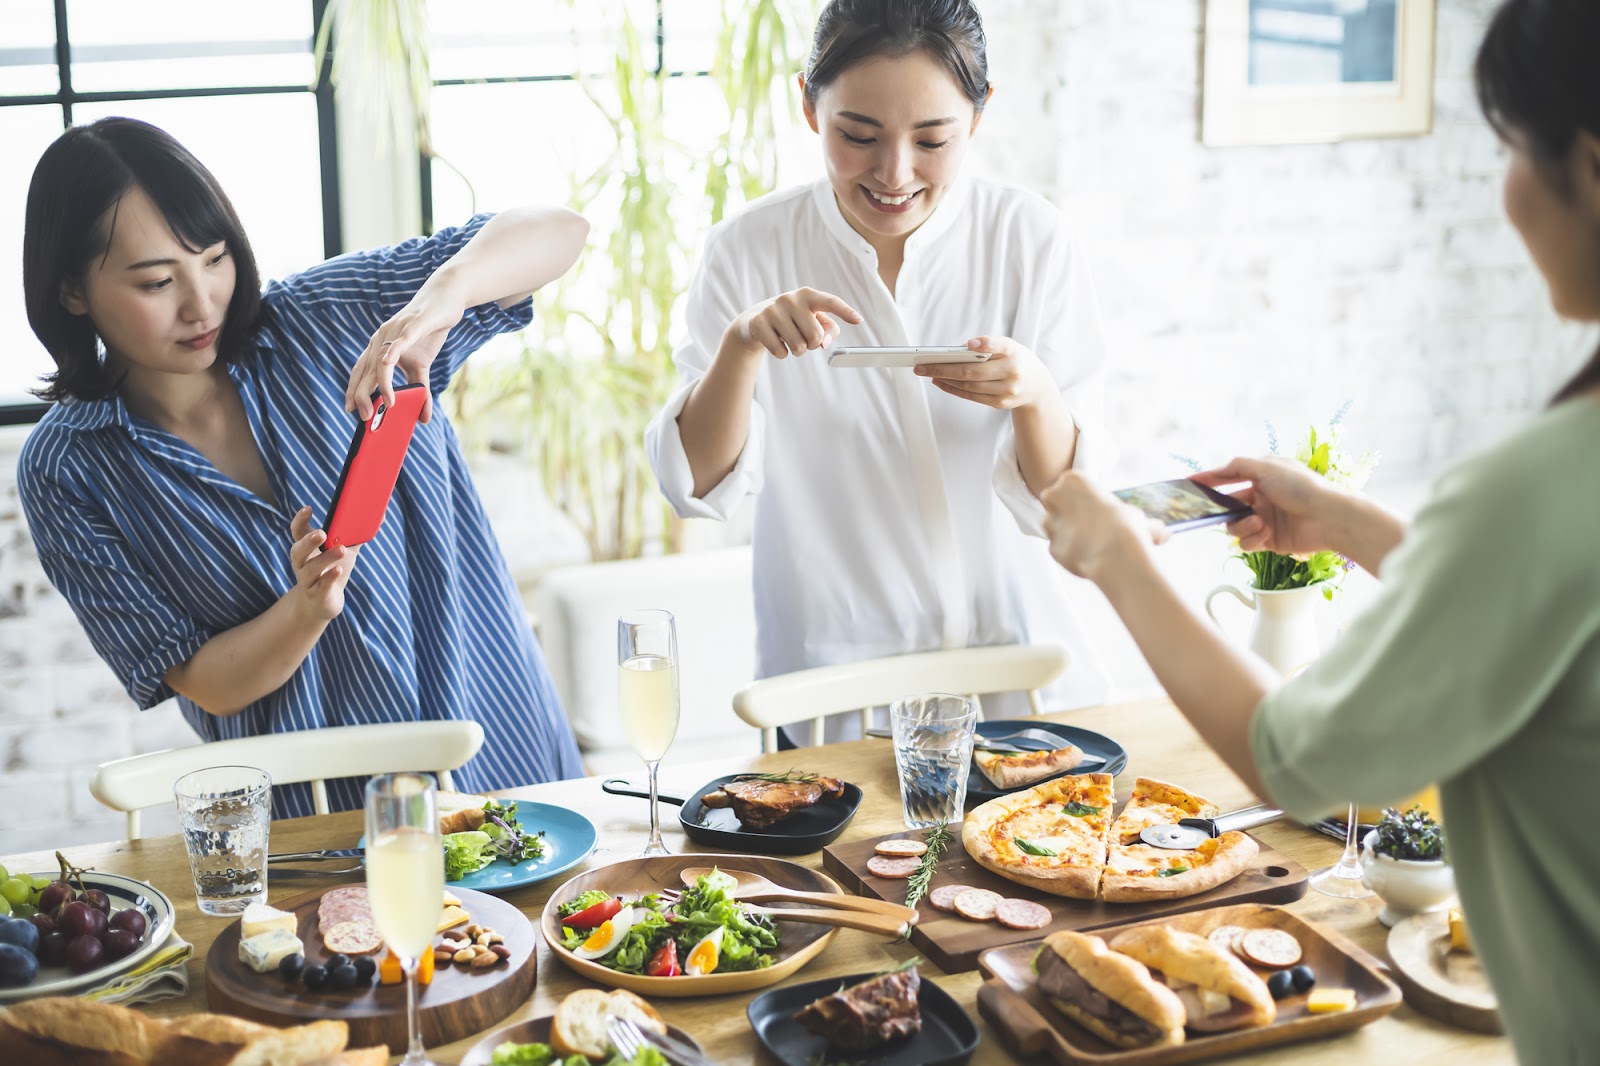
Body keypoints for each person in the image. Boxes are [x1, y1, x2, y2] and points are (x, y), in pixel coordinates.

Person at [1037, 0, 1600, 1059]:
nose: (1507, 192)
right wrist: (1348, 524)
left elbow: (1302, 760)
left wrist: (1115, 557)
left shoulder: (1536, 483)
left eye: (1512, 148)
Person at [19, 117, 588, 817]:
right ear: (72, 291)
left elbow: (559, 229)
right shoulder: (66, 469)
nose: (202, 304)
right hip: (318, 828)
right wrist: (304, 610)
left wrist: (444, 295)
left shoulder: (333, 316)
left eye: (216, 259)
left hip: (499, 756)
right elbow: (205, 682)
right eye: (157, 282)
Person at [646, 0, 1112, 736]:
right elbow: (697, 487)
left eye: (933, 140)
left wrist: (1034, 394)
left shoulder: (1031, 240)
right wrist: (740, 350)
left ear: (980, 116)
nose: (894, 173)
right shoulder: (747, 248)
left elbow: (1067, 504)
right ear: (808, 105)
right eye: (857, 136)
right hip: (834, 693)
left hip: (1022, 686)